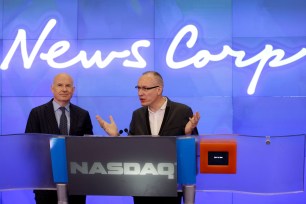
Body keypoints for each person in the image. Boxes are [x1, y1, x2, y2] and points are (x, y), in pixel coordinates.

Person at [96, 71, 200, 204]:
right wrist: (116, 136)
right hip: (142, 185)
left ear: (159, 90)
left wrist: (187, 133)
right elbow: (131, 149)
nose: (140, 93)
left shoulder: (181, 111)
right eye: (138, 88)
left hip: (171, 184)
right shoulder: (137, 115)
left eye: (145, 88)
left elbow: (193, 149)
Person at [25, 73, 93, 204]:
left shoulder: (83, 114)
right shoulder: (37, 113)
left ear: (73, 90)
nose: (64, 89)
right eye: (60, 85)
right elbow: (30, 147)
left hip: (75, 181)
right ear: (52, 88)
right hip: (45, 182)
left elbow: (88, 147)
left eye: (68, 86)